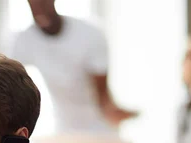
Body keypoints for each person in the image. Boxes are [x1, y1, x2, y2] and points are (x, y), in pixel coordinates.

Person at [9, 0, 136, 135]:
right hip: (63, 127)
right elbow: (13, 85)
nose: (39, 7)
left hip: (99, 128)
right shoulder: (24, 40)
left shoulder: (90, 35)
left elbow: (103, 98)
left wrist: (116, 112)